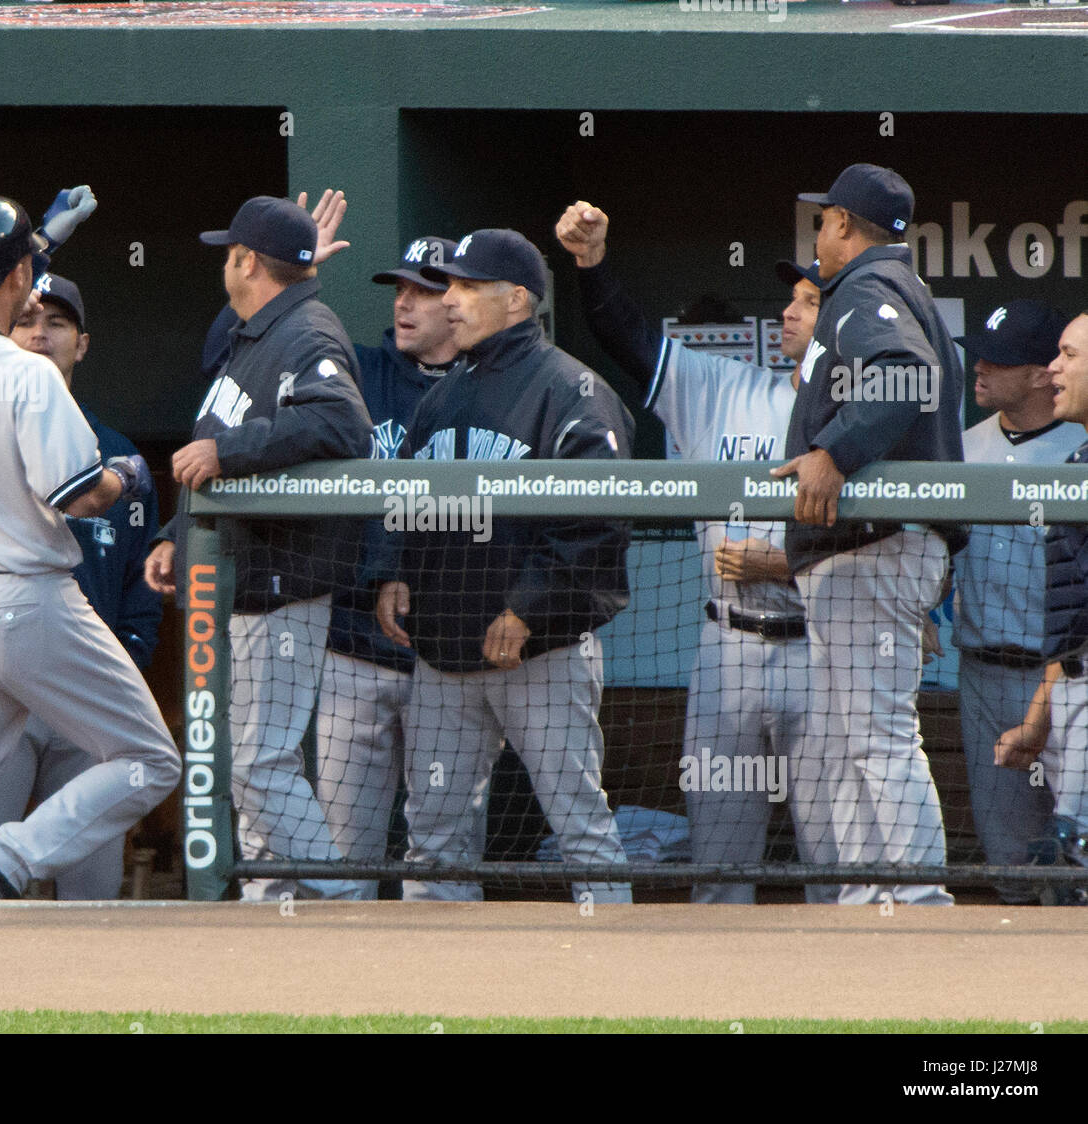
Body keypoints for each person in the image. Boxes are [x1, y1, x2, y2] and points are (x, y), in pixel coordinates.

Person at [0, 195, 180, 900]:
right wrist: (129, 473)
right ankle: (11, 860)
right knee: (149, 759)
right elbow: (82, 497)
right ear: (20, 276)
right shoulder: (31, 376)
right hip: (20, 600)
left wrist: (39, 244)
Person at [555, 199, 834, 903]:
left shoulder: (874, 416)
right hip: (728, 647)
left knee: (837, 871)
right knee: (719, 868)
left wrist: (787, 565)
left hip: (827, 647)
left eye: (811, 300)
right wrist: (591, 264)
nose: (790, 313)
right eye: (790, 299)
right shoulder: (727, 390)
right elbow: (630, 340)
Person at [373, 227, 633, 904]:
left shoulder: (572, 390)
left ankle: (622, 990)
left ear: (516, 298)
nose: (449, 299)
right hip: (443, 655)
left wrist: (528, 608)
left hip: (538, 655)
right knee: (432, 837)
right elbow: (414, 494)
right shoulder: (443, 394)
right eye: (447, 286)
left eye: (465, 287)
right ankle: (444, 998)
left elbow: (597, 520)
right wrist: (398, 570)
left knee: (580, 828)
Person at [143, 195, 374, 902]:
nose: (224, 261)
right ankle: (272, 917)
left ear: (246, 261)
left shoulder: (307, 333)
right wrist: (177, 536)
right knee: (253, 774)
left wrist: (228, 450)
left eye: (230, 251)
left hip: (282, 587)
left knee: (254, 763)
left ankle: (344, 900)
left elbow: (343, 424)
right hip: (241, 583)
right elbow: (216, 439)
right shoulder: (255, 333)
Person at [772, 163, 967, 906]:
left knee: (878, 736)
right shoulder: (893, 289)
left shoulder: (864, 288)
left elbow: (903, 373)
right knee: (853, 741)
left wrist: (835, 452)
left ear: (845, 225)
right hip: (874, 549)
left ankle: (917, 902)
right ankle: (865, 900)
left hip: (871, 547)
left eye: (823, 219)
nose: (818, 230)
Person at [0, 273, 163, 899]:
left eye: (56, 324)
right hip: (4, 690)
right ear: (4, 337)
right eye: (26, 322)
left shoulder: (115, 451)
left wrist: (123, 662)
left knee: (92, 883)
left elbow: (145, 584)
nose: (39, 334)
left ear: (81, 344)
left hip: (87, 693)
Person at [314, 236, 465, 899]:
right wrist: (300, 272)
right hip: (352, 648)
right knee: (346, 855)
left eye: (423, 291)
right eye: (398, 289)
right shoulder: (356, 372)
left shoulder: (487, 390)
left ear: (457, 301)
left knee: (443, 859)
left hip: (449, 664)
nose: (404, 303)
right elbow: (237, 354)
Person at [950, 301, 1077, 903]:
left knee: (1076, 857)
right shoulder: (960, 444)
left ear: (1037, 373)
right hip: (984, 673)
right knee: (1012, 865)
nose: (979, 367)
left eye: (996, 360)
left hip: (1065, 678)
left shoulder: (1079, 448)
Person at [995, 311, 1088, 902]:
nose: (1053, 367)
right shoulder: (1077, 465)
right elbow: (1075, 621)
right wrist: (1039, 721)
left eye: (1070, 355)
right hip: (1075, 693)